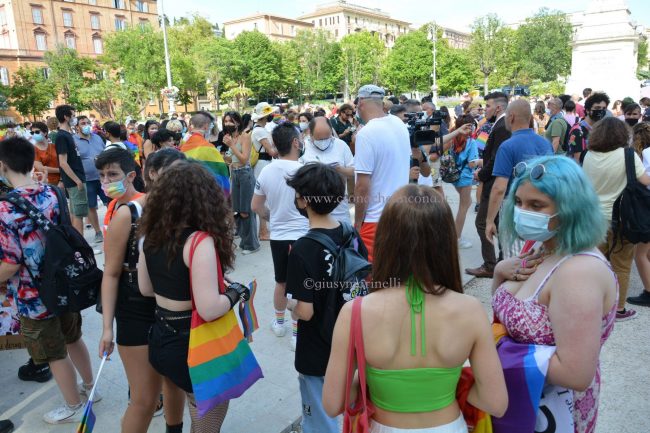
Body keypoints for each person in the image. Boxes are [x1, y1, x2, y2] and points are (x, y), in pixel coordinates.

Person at [323, 184, 508, 432]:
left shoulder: (354, 312)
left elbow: (333, 403)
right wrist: (446, 386)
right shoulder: (471, 310)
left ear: (385, 239)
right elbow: (495, 402)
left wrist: (372, 379)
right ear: (446, 240)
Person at [493, 155, 618, 433]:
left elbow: (576, 373)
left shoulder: (579, 272)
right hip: (521, 401)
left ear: (571, 209)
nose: (522, 211)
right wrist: (500, 272)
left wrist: (494, 347)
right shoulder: (541, 245)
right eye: (519, 202)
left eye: (536, 205)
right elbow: (504, 311)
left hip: (552, 412)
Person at [139, 161, 247, 432]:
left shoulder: (150, 235)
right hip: (194, 346)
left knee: (193, 405)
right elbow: (209, 309)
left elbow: (146, 289)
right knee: (206, 424)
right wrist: (235, 292)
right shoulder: (199, 241)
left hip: (161, 339)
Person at [0, 136, 98, 424]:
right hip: (66, 283)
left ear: (3, 165)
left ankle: (73, 406)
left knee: (54, 352)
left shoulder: (5, 209)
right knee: (73, 337)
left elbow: (11, 263)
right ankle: (91, 388)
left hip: (34, 296)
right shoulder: (52, 193)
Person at [96, 148, 177, 432]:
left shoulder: (178, 209)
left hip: (170, 306)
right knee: (144, 399)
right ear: (150, 175)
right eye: (102, 176)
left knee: (173, 385)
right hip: (134, 308)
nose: (106, 181)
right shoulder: (127, 213)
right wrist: (107, 328)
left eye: (112, 174)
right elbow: (111, 273)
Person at [285, 163, 368, 433]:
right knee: (352, 412)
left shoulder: (302, 249)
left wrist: (290, 304)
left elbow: (305, 311)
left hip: (319, 350)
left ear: (305, 200)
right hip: (354, 341)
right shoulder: (350, 233)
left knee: (321, 419)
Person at [582, 117, 650, 321]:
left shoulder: (588, 155)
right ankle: (618, 309)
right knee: (621, 265)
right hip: (622, 219)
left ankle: (593, 304)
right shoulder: (628, 155)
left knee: (595, 262)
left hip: (594, 219)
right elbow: (644, 180)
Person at [252, 123, 309, 348]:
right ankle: (296, 332)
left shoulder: (267, 170)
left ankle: (279, 323)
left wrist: (272, 218)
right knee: (302, 285)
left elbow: (256, 206)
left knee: (281, 282)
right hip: (304, 236)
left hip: (279, 237)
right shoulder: (306, 170)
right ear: (295, 142)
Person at [485, 100, 554, 252]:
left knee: (516, 259)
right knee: (537, 255)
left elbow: (499, 188)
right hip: (543, 208)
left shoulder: (507, 146)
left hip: (516, 208)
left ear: (511, 117)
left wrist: (489, 220)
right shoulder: (545, 143)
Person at [353, 85, 410, 263]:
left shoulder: (366, 133)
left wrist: (357, 223)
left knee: (374, 274)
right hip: (402, 213)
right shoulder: (399, 124)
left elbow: (362, 186)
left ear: (361, 103)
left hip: (376, 220)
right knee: (399, 270)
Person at [467, 92, 510, 278]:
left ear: (498, 107)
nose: (485, 110)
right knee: (496, 223)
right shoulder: (500, 124)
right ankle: (501, 260)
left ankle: (491, 264)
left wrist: (481, 174)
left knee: (483, 222)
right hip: (494, 179)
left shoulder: (502, 126)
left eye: (488, 106)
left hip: (494, 182)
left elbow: (496, 159)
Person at [300, 117, 354, 224]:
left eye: (327, 138)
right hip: (313, 212)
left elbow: (353, 172)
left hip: (340, 211)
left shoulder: (341, 145)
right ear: (311, 134)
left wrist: (340, 169)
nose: (324, 142)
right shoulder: (303, 148)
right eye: (319, 139)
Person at [222, 111, 260, 254]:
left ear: (237, 122)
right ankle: (245, 240)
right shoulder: (231, 137)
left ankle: (251, 244)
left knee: (246, 211)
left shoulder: (245, 136)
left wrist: (231, 145)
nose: (227, 124)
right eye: (225, 121)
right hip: (235, 174)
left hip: (245, 173)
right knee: (237, 210)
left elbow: (244, 159)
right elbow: (232, 159)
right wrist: (225, 157)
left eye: (230, 121)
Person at [445, 114, 480, 249]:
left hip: (454, 176)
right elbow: (472, 164)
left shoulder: (452, 139)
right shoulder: (471, 142)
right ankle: (456, 238)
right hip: (465, 178)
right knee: (463, 208)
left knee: (467, 203)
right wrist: (482, 162)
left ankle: (455, 233)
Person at [54, 104, 88, 235]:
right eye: (73, 115)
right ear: (66, 117)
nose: (75, 118)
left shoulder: (67, 135)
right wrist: (77, 180)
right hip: (75, 181)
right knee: (79, 214)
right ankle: (81, 243)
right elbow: (63, 162)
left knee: (75, 213)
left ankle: (77, 242)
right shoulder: (62, 136)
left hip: (76, 178)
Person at [76, 116, 110, 244]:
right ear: (77, 127)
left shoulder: (97, 138)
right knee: (91, 206)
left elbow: (105, 152)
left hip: (103, 177)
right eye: (83, 123)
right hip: (87, 179)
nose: (86, 125)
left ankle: (112, 227)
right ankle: (98, 232)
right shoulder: (74, 140)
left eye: (88, 123)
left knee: (110, 203)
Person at [180, 112, 230, 196]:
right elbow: (221, 172)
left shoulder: (184, 145)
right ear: (206, 126)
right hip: (205, 193)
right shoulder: (209, 148)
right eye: (210, 126)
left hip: (188, 191)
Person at [628, 122, 650, 307]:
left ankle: (649, 292)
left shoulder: (645, 154)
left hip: (646, 206)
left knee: (640, 253)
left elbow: (644, 181)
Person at [251, 102, 279, 241]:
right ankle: (263, 231)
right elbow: (272, 152)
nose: (272, 115)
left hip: (264, 164)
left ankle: (264, 230)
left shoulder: (260, 129)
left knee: (264, 197)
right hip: (262, 164)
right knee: (264, 198)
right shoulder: (260, 131)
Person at [567, 92, 610, 163]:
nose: (601, 111)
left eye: (604, 108)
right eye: (597, 108)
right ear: (587, 110)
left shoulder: (600, 129)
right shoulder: (578, 131)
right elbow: (576, 161)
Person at [31, 122, 61, 187]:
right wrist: (60, 170)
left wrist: (61, 180)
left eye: (37, 132)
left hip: (59, 182)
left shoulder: (54, 146)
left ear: (45, 133)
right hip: (43, 183)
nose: (34, 134)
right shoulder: (32, 149)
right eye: (32, 133)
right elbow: (40, 168)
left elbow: (62, 162)